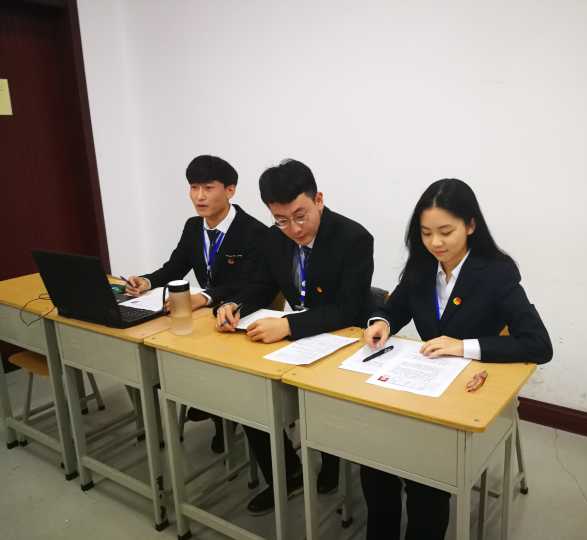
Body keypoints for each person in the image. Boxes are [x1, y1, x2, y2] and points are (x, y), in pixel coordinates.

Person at [361, 178, 552, 540]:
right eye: (426, 233)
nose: (435, 243)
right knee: (374, 461)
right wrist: (381, 322)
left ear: (470, 225)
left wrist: (463, 346)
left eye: (446, 232)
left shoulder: (496, 273)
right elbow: (395, 307)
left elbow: (539, 344)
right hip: (420, 383)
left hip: (467, 392)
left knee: (425, 481)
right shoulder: (422, 265)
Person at [215, 158, 374, 515]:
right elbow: (262, 285)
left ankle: (332, 461)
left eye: (300, 216)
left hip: (342, 340)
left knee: (324, 404)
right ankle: (286, 474)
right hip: (295, 342)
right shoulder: (273, 238)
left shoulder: (354, 238)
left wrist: (289, 326)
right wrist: (235, 304)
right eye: (281, 219)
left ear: (318, 199)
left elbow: (348, 309)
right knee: (248, 390)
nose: (294, 228)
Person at [125, 154, 267, 453]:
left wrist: (203, 297)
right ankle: (213, 406)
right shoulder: (193, 227)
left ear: (230, 190)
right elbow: (174, 267)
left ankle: (222, 412)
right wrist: (147, 281)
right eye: (193, 187)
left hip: (237, 317)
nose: (199, 196)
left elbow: (249, 284)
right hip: (204, 320)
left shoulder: (254, 232)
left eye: (208, 188)